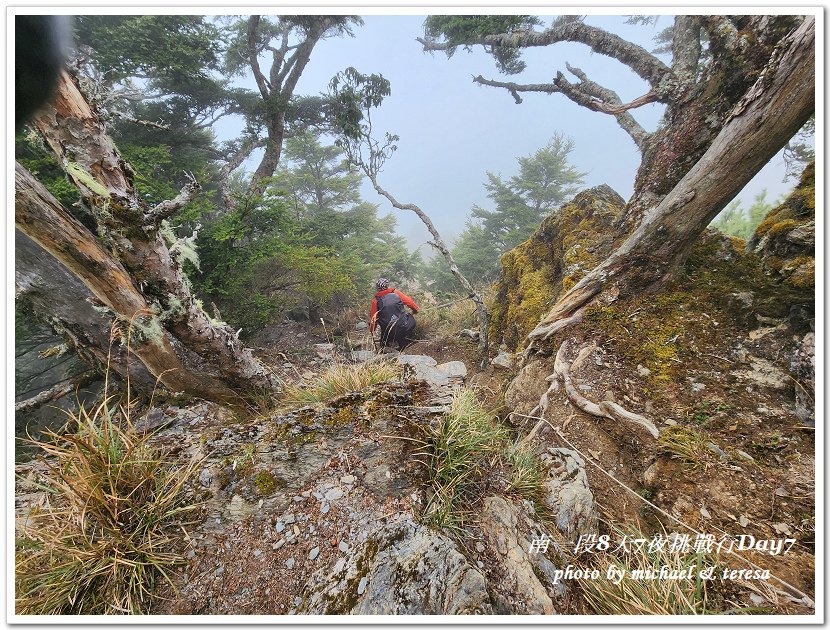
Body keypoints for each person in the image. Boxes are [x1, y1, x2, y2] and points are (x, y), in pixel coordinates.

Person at [369, 278, 419, 350]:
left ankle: (387, 345)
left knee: (384, 339)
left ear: (377, 288)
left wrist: (372, 330)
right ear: (387, 286)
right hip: (404, 326)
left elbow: (373, 319)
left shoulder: (376, 301)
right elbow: (410, 302)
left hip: (388, 331)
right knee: (409, 319)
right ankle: (403, 344)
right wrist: (415, 310)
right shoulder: (396, 293)